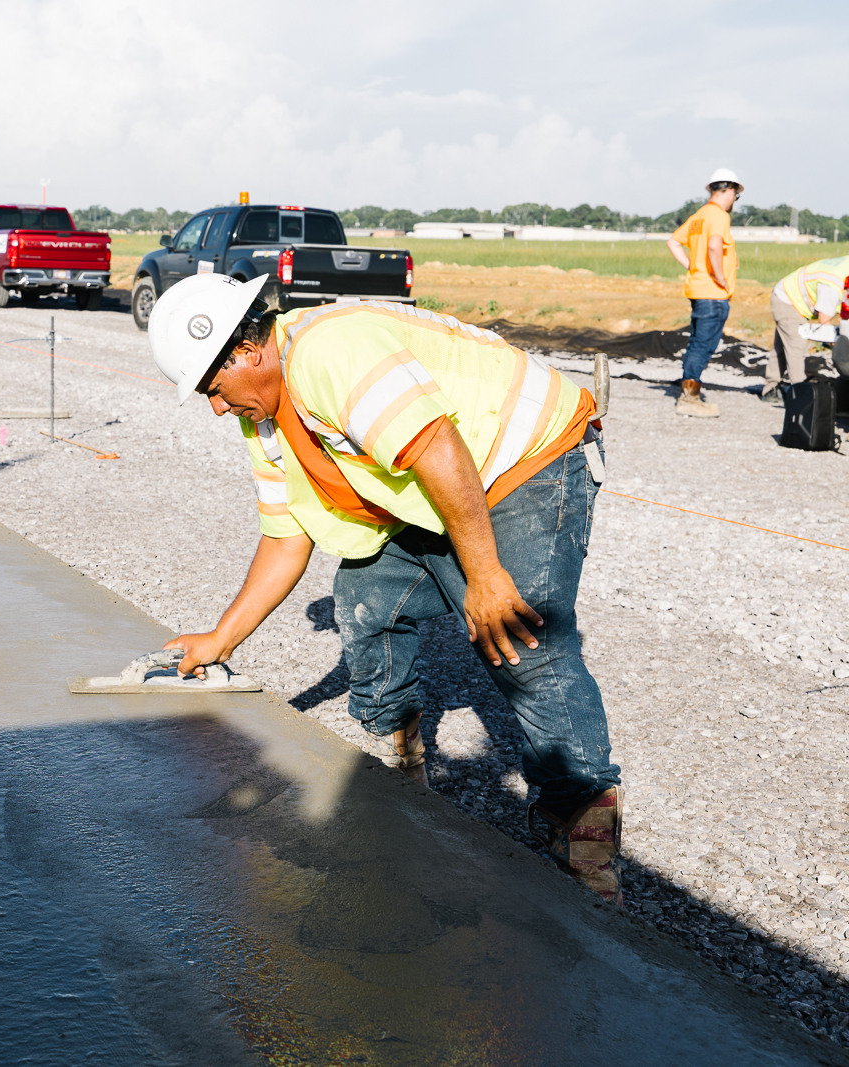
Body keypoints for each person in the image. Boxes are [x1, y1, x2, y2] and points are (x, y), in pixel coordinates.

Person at [147, 274, 624, 903]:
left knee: (521, 643)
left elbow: (437, 445)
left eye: (213, 388)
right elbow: (286, 537)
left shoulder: (327, 353)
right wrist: (220, 640)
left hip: (526, 455)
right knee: (366, 601)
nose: (214, 406)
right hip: (441, 485)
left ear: (245, 352)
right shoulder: (262, 420)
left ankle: (583, 838)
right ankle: (401, 756)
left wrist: (482, 577)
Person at [665, 169, 742, 418]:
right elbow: (713, 245)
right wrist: (720, 277)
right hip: (713, 293)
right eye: (735, 195)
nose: (734, 200)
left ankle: (690, 393)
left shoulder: (699, 216)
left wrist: (692, 266)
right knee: (703, 345)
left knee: (696, 342)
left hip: (698, 289)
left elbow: (673, 242)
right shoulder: (718, 215)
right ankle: (690, 399)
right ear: (730, 190)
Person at [762, 255, 848, 404]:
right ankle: (800, 396)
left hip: (790, 295)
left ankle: (770, 389)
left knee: (782, 348)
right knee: (796, 346)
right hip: (788, 300)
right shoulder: (833, 283)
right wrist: (840, 347)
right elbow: (824, 322)